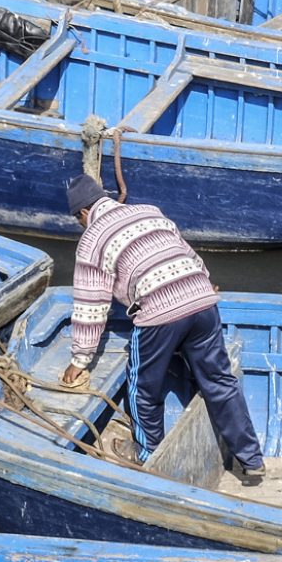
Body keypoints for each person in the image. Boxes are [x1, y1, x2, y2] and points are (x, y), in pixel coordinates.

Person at [61, 175, 266, 483]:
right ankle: (252, 460)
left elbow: (92, 306)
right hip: (202, 300)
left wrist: (79, 360)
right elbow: (188, 254)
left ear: (83, 214)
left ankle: (149, 458)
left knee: (143, 387)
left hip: (160, 312)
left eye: (79, 220)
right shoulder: (149, 211)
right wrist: (205, 282)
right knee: (220, 381)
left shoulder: (91, 239)